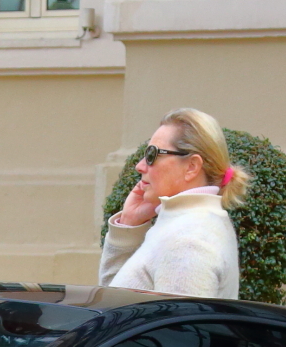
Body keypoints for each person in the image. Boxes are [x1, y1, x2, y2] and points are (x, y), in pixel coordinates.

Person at [100, 108, 246, 297]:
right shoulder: (186, 225)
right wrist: (129, 223)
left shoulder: (188, 241)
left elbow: (183, 326)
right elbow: (114, 303)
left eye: (152, 154)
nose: (140, 165)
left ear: (192, 167)